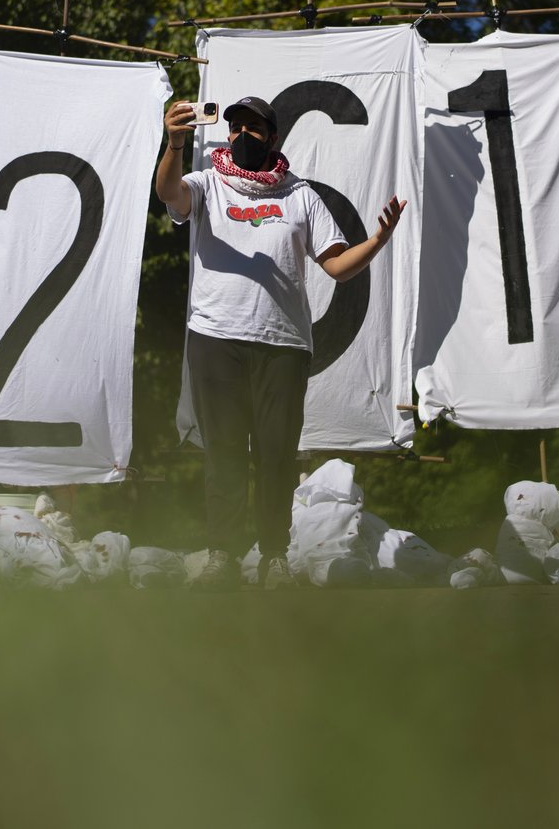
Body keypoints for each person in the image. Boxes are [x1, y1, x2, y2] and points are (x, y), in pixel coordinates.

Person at [155, 95, 405, 590]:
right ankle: (222, 557)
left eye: (254, 128)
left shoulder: (301, 195)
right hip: (215, 339)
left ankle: (274, 558)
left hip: (283, 345)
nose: (242, 135)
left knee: (275, 454)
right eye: (236, 127)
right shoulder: (207, 183)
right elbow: (168, 193)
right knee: (223, 453)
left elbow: (336, 265)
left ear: (272, 137)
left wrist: (377, 241)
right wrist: (175, 142)